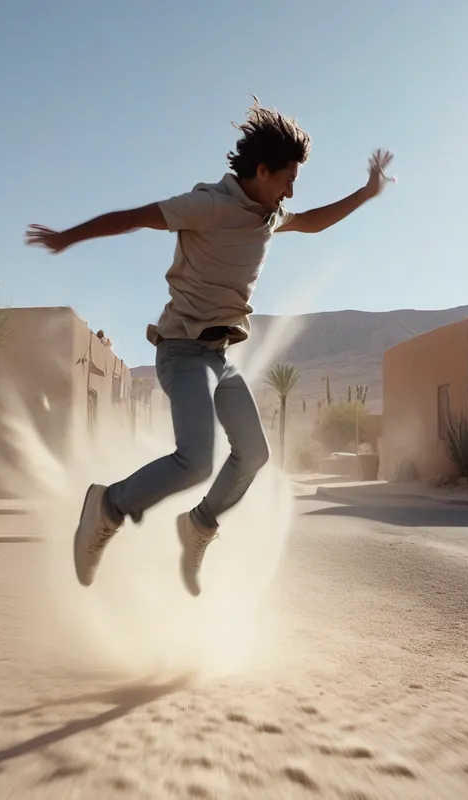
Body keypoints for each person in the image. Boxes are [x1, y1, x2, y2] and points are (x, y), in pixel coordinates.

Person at [25, 99, 394, 597]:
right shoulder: (208, 205)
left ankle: (199, 524)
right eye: (287, 179)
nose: (290, 191)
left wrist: (366, 193)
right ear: (261, 171)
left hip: (219, 359)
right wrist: (70, 237)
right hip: (181, 351)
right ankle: (107, 506)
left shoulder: (269, 215)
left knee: (254, 454)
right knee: (196, 459)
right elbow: (136, 217)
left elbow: (312, 222)